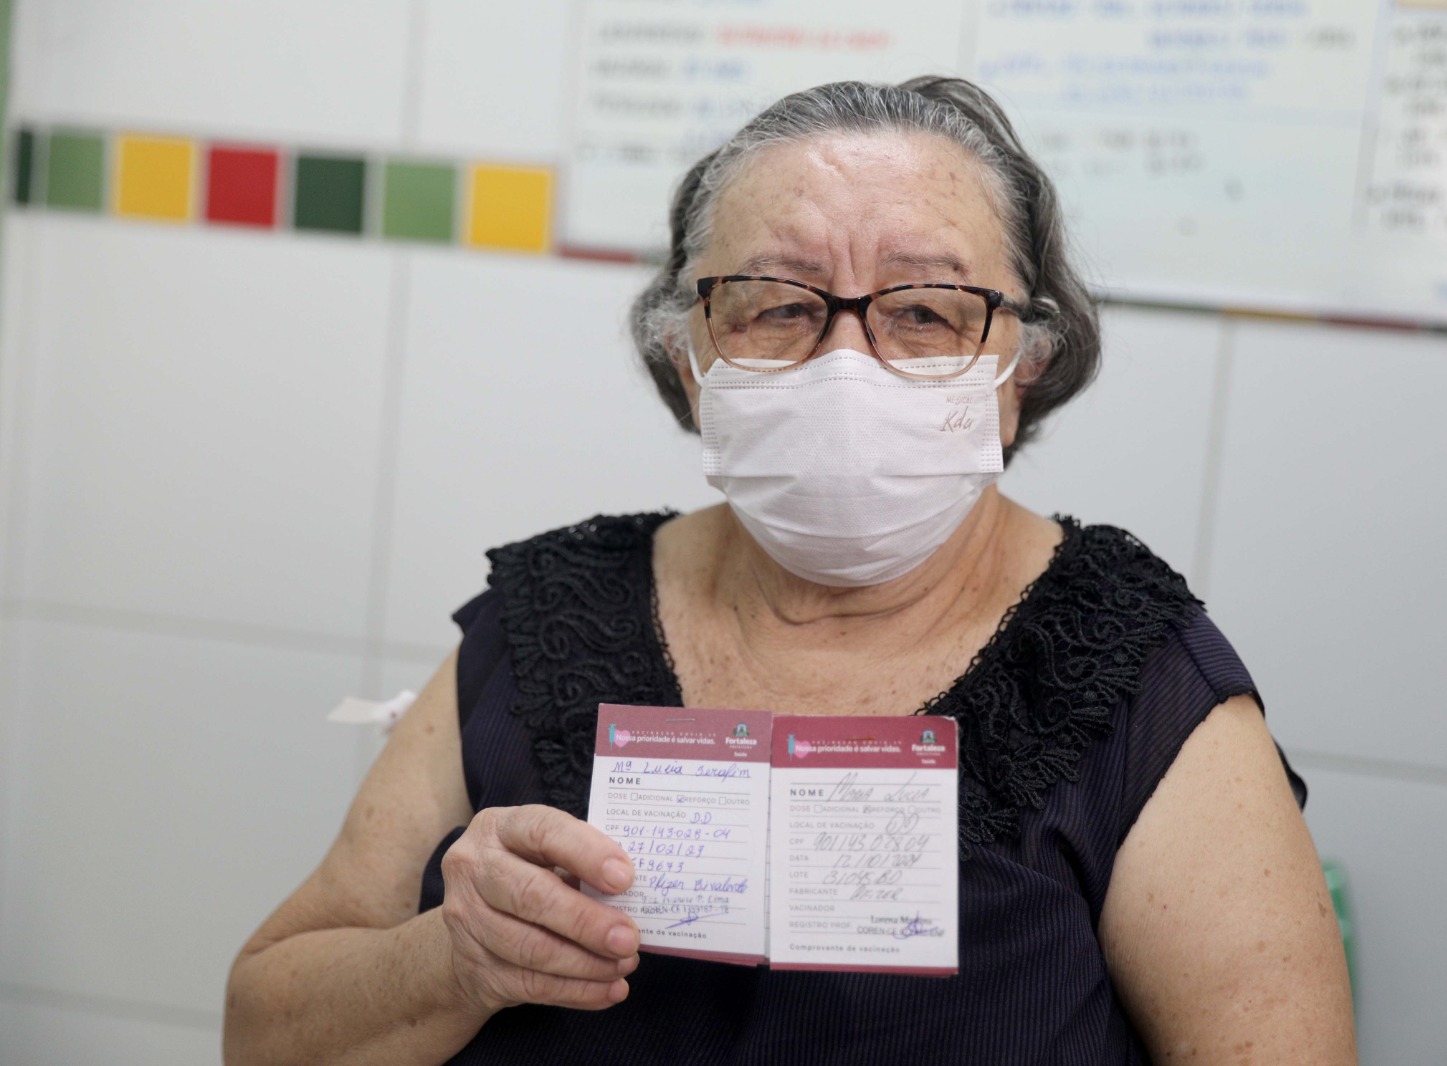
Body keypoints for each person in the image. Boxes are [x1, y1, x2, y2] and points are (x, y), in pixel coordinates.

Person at [223, 77, 1356, 1065]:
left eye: (925, 310)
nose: (845, 367)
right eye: (776, 306)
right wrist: (448, 961)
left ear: (1024, 366)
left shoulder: (1132, 678)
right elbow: (264, 1035)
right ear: (688, 351)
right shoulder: (546, 621)